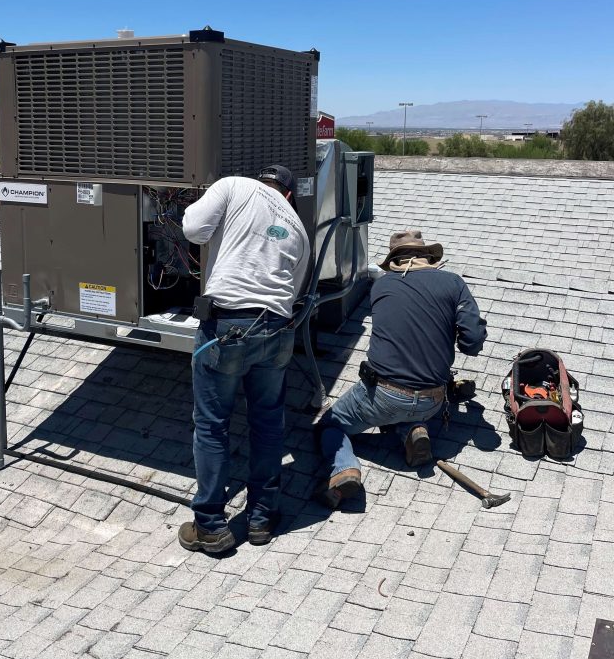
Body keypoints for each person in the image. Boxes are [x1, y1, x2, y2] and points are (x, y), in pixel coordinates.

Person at [178, 165, 310, 555]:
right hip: (277, 331)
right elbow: (296, 289)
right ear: (288, 194)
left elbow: (192, 230)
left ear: (262, 182)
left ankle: (211, 527)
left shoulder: (234, 185)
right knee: (268, 423)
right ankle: (261, 518)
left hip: (228, 326)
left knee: (212, 425)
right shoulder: (299, 229)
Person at [314, 230, 487, 509]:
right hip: (432, 399)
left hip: (382, 395)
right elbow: (472, 342)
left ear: (393, 260)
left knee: (329, 425)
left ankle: (344, 470)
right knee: (407, 407)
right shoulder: (454, 283)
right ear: (428, 257)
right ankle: (412, 430)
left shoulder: (380, 287)